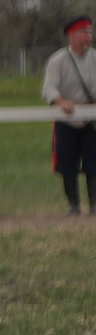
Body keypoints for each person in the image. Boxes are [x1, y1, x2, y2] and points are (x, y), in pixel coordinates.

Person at [44, 15, 96, 214]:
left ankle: (94, 204)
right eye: (84, 32)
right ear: (72, 35)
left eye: (90, 32)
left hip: (91, 121)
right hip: (66, 121)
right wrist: (61, 102)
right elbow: (49, 88)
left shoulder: (94, 58)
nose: (88, 36)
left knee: (93, 162)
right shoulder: (58, 60)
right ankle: (73, 205)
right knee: (66, 163)